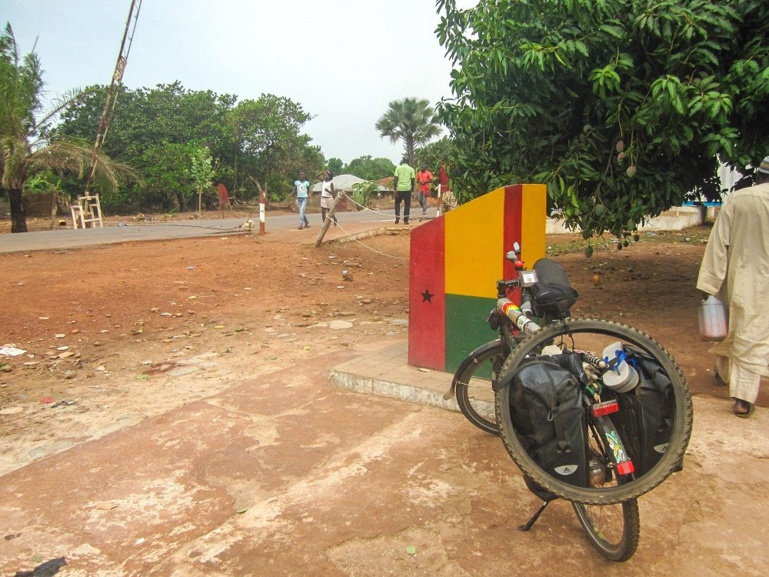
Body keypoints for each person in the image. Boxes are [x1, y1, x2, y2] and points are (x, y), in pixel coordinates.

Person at [697, 155, 769, 418]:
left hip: (739, 276)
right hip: (763, 282)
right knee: (751, 335)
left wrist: (710, 283)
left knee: (735, 329)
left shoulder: (739, 199)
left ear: (758, 176)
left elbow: (718, 244)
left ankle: (742, 397)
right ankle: (731, 382)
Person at [393, 157, 415, 224]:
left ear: (402, 161)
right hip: (407, 189)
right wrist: (412, 188)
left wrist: (395, 189)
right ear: (408, 162)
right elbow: (413, 180)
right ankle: (406, 220)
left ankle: (397, 217)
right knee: (407, 204)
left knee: (397, 203)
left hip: (399, 189)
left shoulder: (398, 168)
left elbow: (395, 179)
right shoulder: (411, 169)